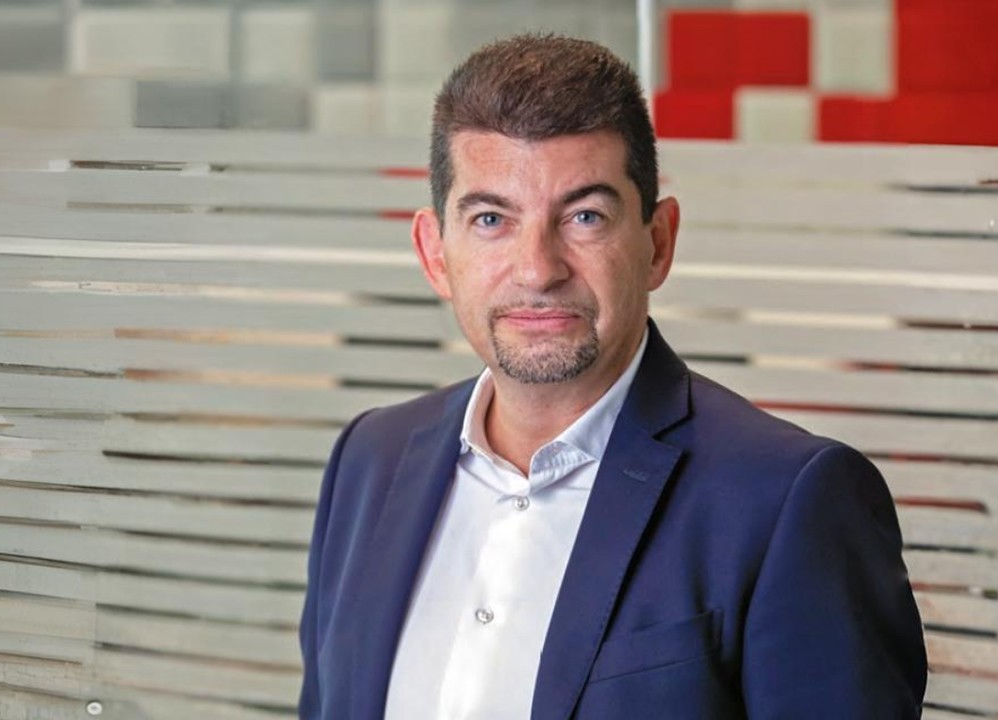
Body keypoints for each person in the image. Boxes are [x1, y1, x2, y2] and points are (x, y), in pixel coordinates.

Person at [299, 33, 926, 719]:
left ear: (658, 243)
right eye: (491, 219)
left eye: (585, 217)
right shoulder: (369, 460)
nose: (538, 268)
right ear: (434, 253)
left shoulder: (788, 500)